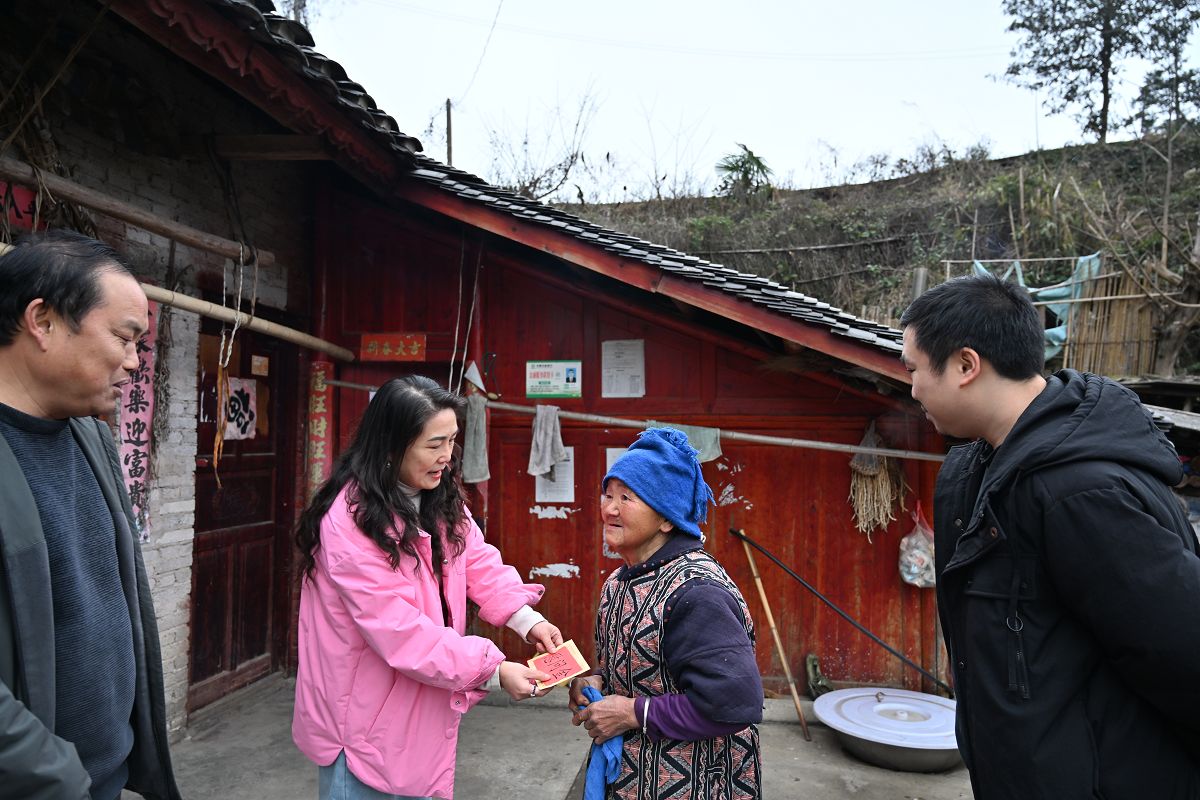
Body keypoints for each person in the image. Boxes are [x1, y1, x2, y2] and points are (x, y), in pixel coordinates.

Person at [899, 273, 1200, 799]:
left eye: (914, 369)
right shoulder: (976, 471)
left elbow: (1183, 656)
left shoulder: (1079, 492)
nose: (912, 388)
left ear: (966, 365)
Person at [293, 375, 563, 800]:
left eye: (452, 441)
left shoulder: (437, 493)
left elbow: (475, 557)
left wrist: (526, 619)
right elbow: (400, 631)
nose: (446, 456)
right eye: (434, 444)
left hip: (415, 706)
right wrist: (493, 671)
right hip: (362, 721)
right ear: (391, 446)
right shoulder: (350, 522)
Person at [0, 230, 181, 800]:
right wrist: (58, 780)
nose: (133, 362)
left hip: (109, 777)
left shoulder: (92, 440)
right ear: (43, 321)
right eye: (123, 338)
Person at [569, 427, 763, 800]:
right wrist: (597, 682)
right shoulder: (619, 582)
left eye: (627, 498)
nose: (609, 509)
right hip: (629, 779)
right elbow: (642, 671)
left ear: (667, 519)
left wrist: (632, 713)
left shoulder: (697, 593)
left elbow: (735, 703)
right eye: (608, 494)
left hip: (697, 784)